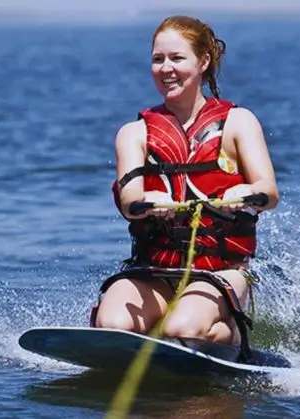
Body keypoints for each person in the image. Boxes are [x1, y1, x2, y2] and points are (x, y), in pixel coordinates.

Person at [91, 15, 279, 355]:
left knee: (182, 330)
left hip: (223, 271)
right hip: (155, 269)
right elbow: (129, 199)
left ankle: (229, 332)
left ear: (203, 61)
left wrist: (244, 193)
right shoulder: (134, 134)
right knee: (113, 324)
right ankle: (157, 328)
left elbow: (269, 192)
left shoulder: (239, 123)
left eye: (177, 58)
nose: (166, 69)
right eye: (158, 59)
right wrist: (147, 201)